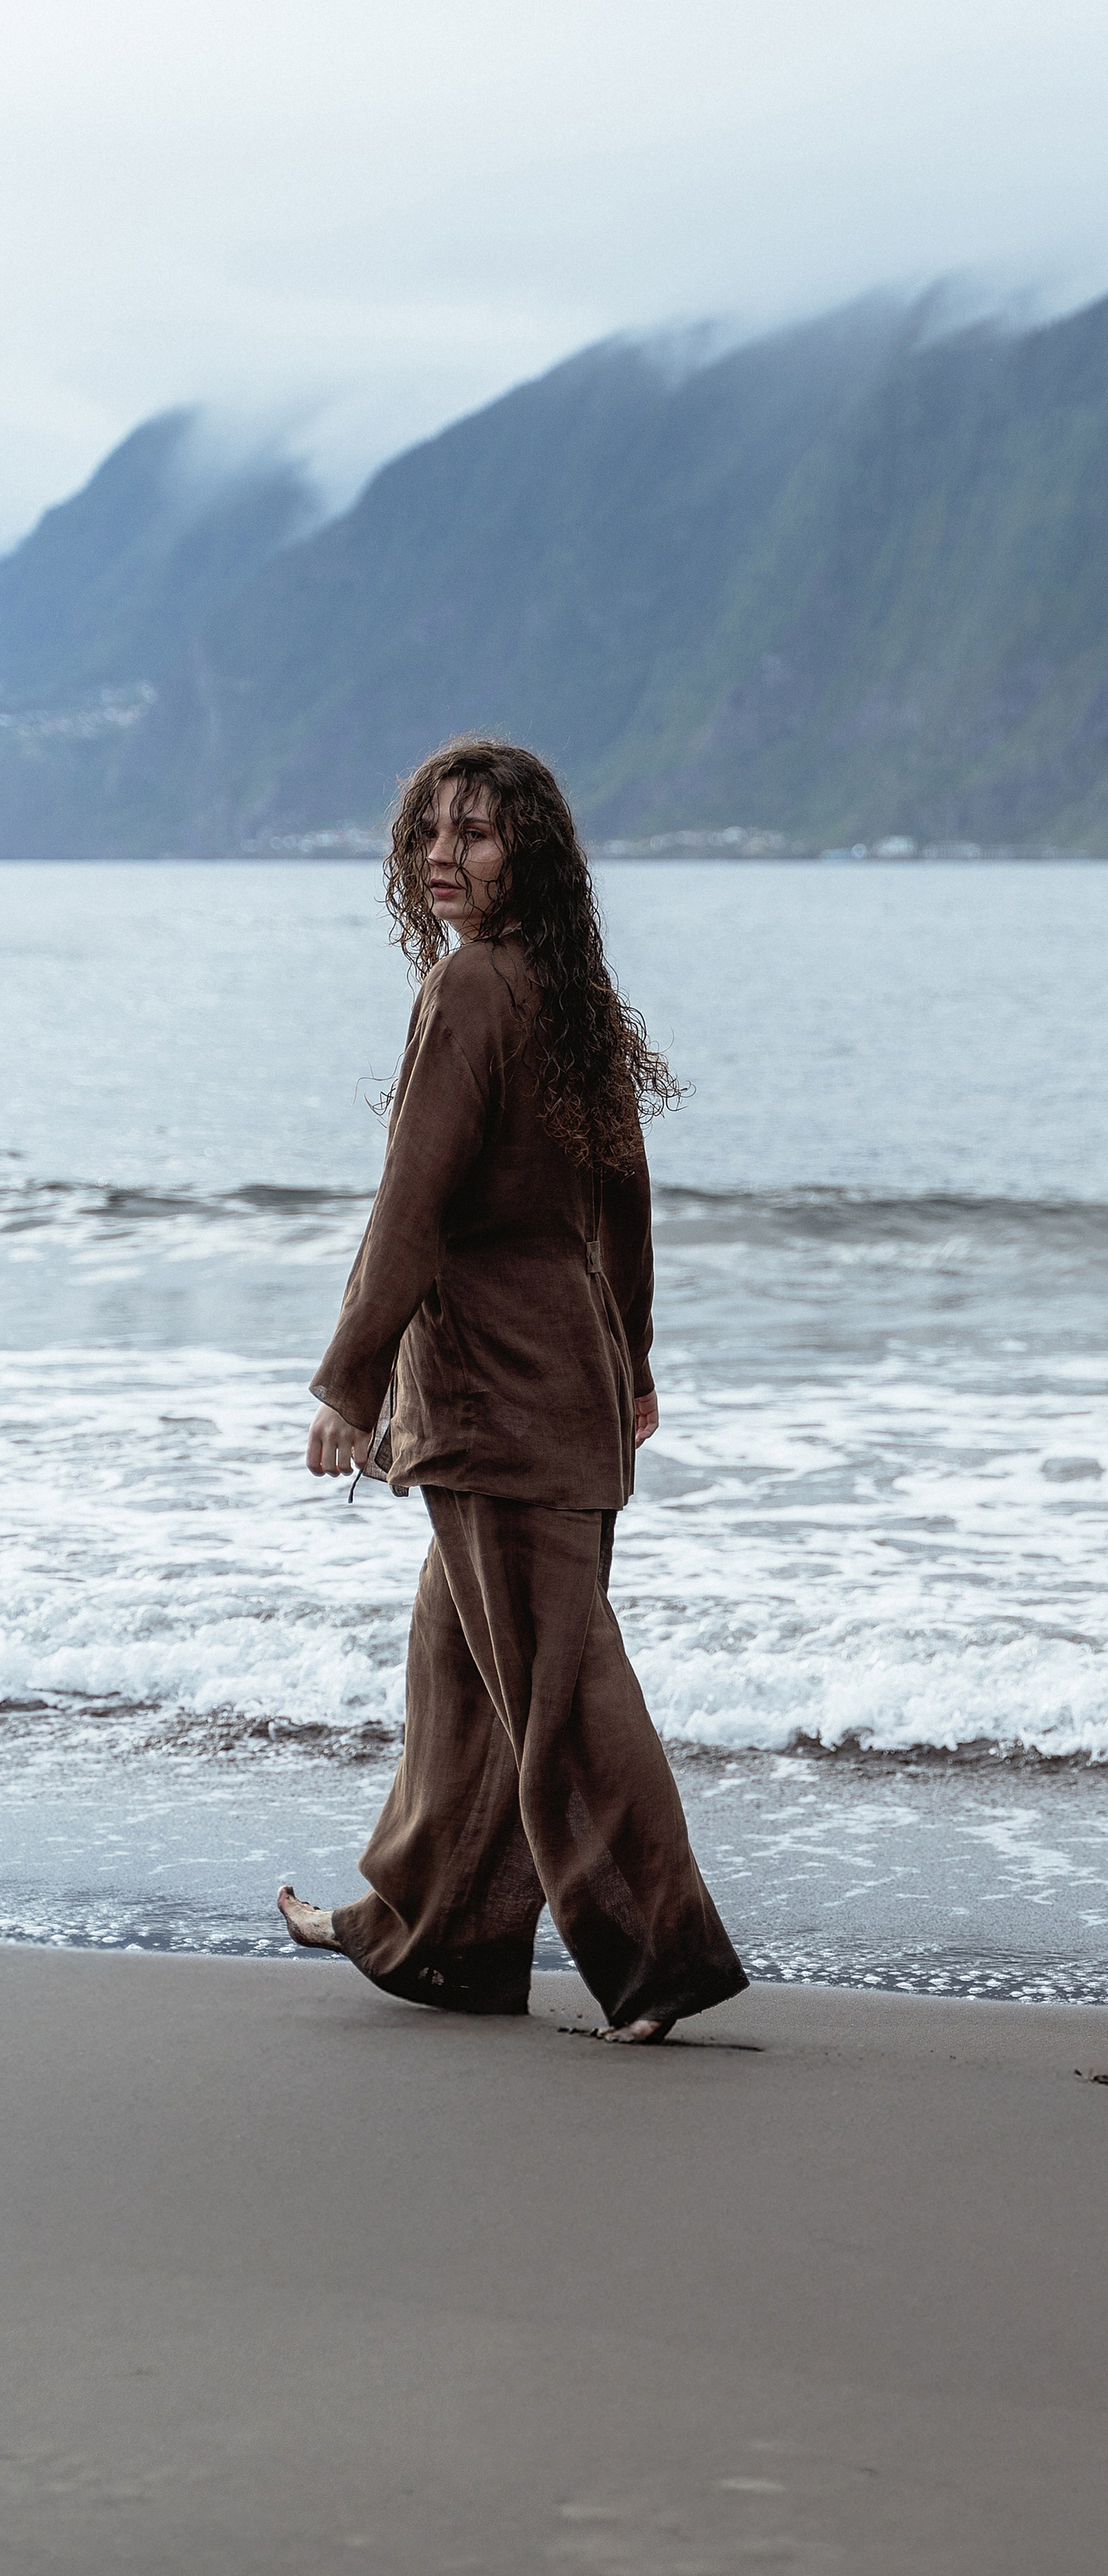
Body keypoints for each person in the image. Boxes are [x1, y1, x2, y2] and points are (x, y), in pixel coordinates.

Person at [277, 737, 746, 2043]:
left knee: (559, 1695)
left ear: (523, 854)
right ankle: (440, 1941)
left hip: (494, 1394)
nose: (442, 856)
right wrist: (630, 1363)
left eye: (474, 835)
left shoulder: (474, 986)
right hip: (564, 1380)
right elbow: (623, 1204)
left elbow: (411, 1208)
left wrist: (348, 1386)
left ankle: (661, 1959)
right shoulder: (563, 987)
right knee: (461, 1679)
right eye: (430, 832)